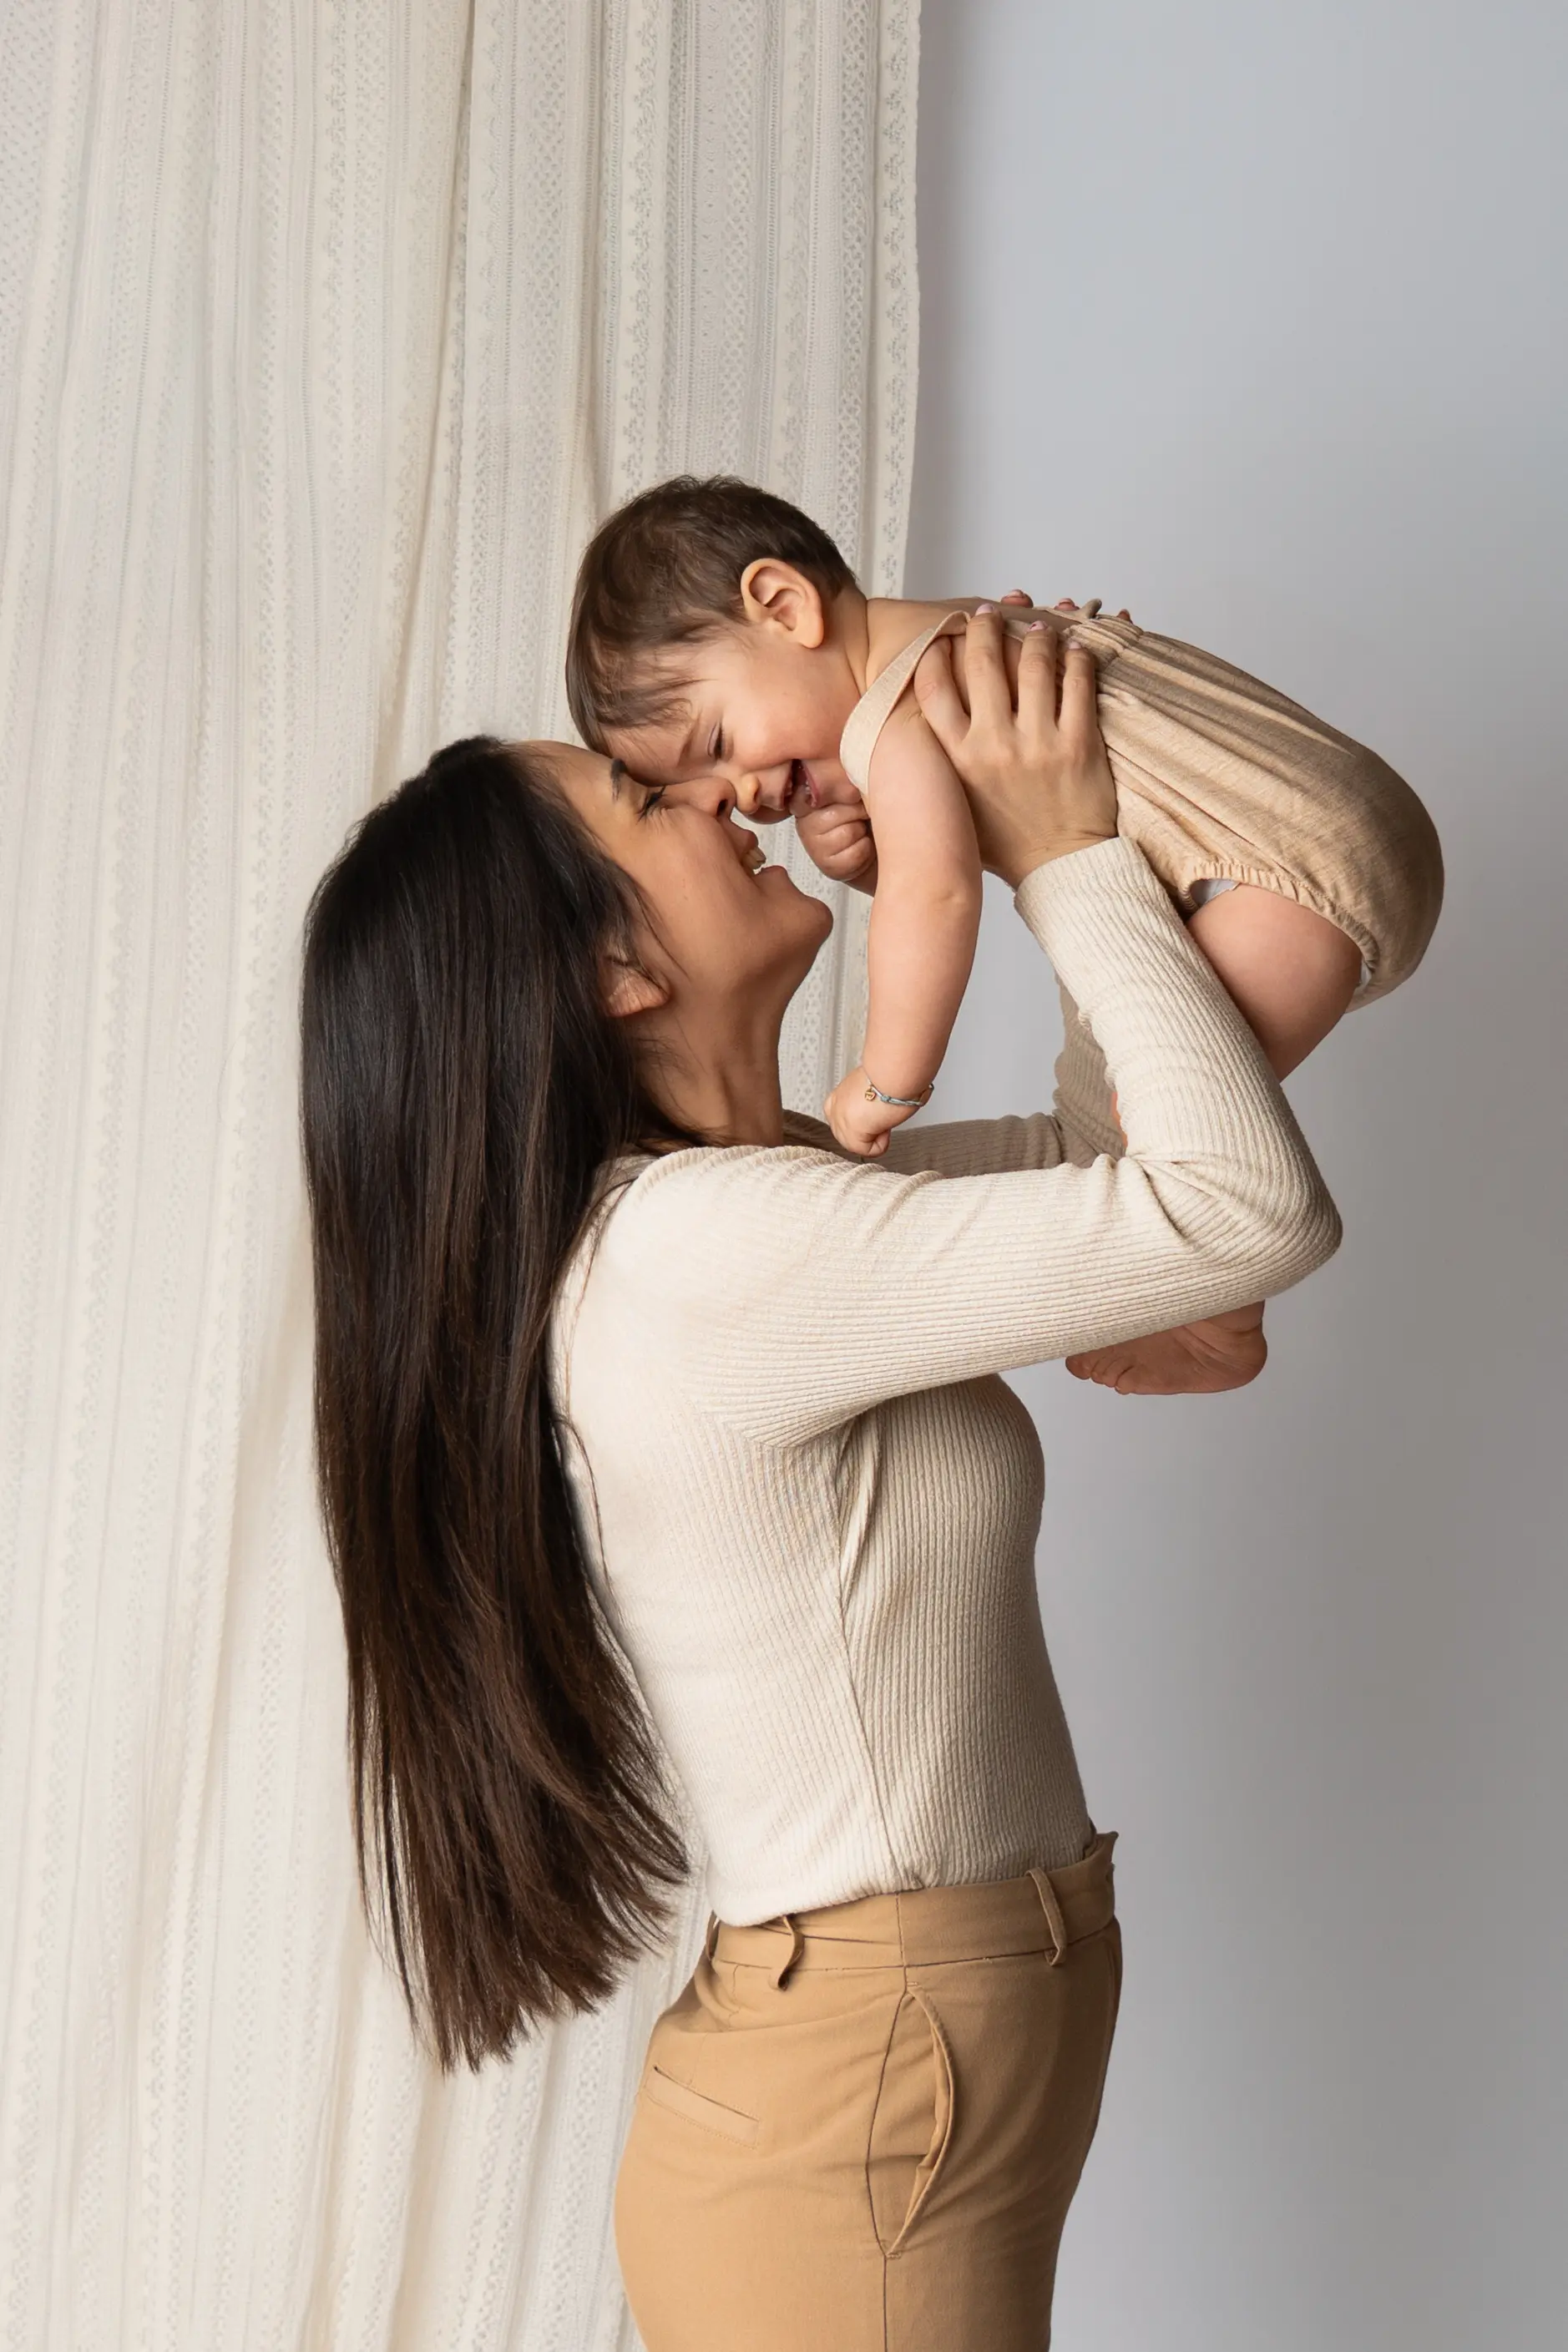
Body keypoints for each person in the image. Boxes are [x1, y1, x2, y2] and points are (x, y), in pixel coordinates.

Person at [299, 614, 1341, 2351]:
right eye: (653, 803)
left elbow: (1144, 1174)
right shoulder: (701, 1254)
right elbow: (1242, 1207)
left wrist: (1035, 815)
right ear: (612, 974)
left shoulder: (763, 1204)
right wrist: (1062, 845)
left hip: (898, 2067)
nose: (730, 800)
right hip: (857, 2103)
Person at [564, 473, 1441, 1394]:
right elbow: (976, 830)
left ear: (783, 606)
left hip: (1276, 885)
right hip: (1329, 819)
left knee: (1157, 1129)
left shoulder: (891, 720)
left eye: (716, 744)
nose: (744, 794)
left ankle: (1211, 1321)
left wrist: (888, 1078)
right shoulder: (966, 630)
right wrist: (876, 856)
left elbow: (937, 896)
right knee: (1132, 1100)